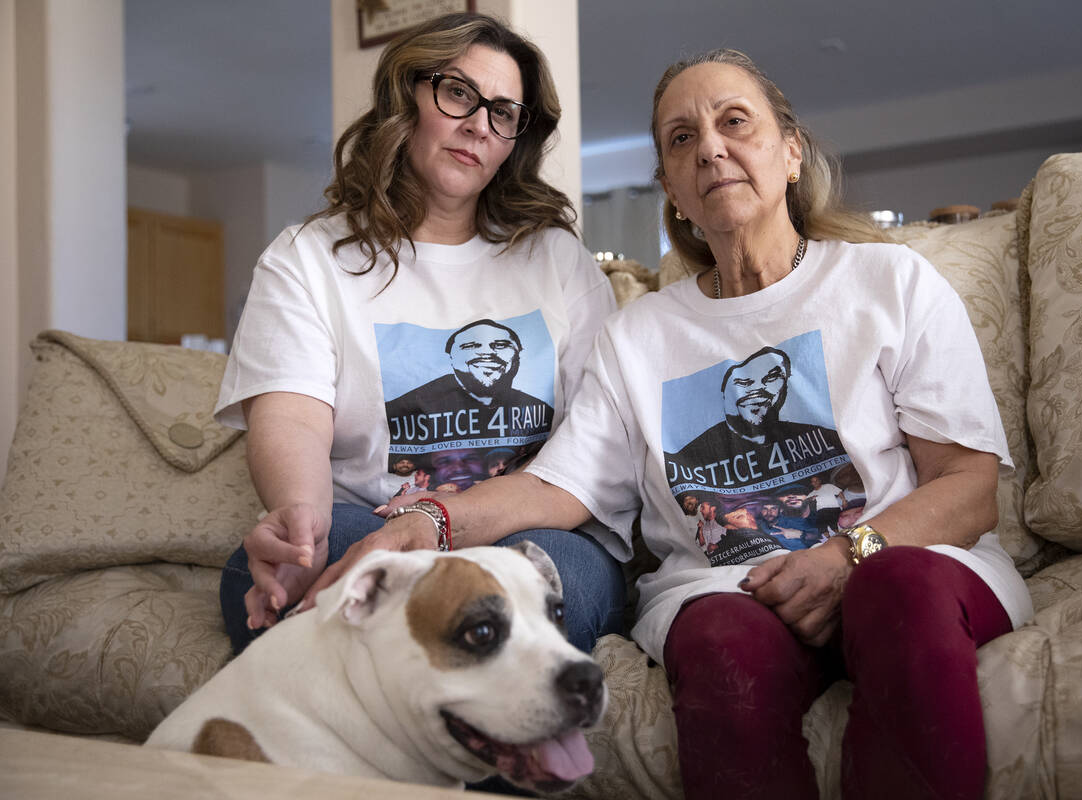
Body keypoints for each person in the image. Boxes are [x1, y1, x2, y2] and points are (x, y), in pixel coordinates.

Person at [297, 48, 1034, 800]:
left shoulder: (889, 283)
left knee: (896, 588)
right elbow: (561, 487)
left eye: (734, 122)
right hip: (732, 588)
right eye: (681, 138)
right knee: (719, 637)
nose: (711, 146)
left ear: (790, 154)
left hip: (899, 564)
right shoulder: (639, 336)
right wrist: (430, 518)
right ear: (672, 190)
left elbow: (970, 489)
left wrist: (848, 556)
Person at [214, 13, 625, 660]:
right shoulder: (309, 259)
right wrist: (302, 524)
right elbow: (292, 419)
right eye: (458, 93)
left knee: (554, 584)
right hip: (369, 518)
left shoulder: (556, 261)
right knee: (260, 573)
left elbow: (595, 452)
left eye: (503, 112)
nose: (478, 126)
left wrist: (440, 523)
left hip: (531, 529)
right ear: (406, 97)